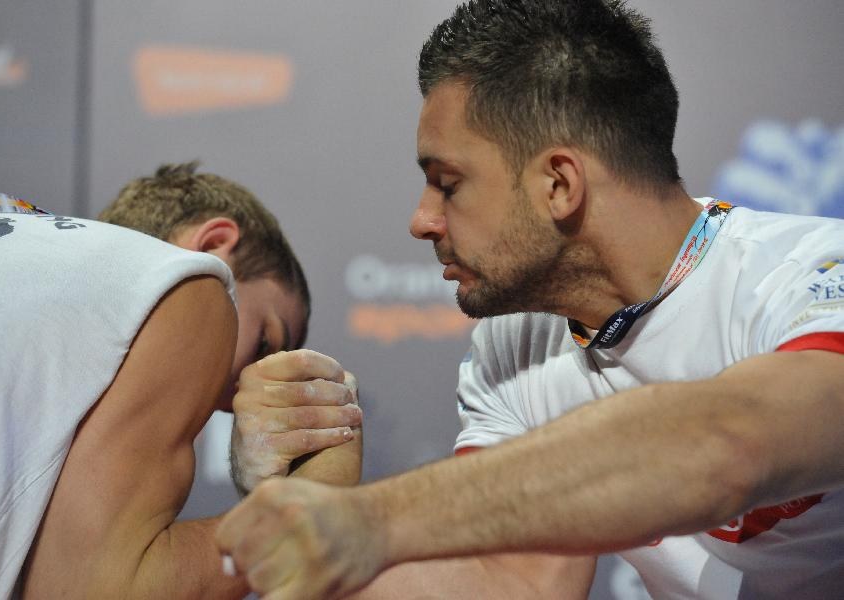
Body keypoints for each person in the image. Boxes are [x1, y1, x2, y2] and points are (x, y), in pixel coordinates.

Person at [214, 1, 844, 599]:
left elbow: (729, 446)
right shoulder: (514, 348)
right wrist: (305, 499)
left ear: (559, 183)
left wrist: (373, 519)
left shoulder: (809, 276)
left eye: (447, 183)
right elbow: (516, 585)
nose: (421, 220)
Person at [0, 162, 361, 599]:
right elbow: (93, 593)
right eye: (264, 344)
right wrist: (313, 507)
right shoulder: (191, 289)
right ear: (215, 244)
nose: (237, 400)